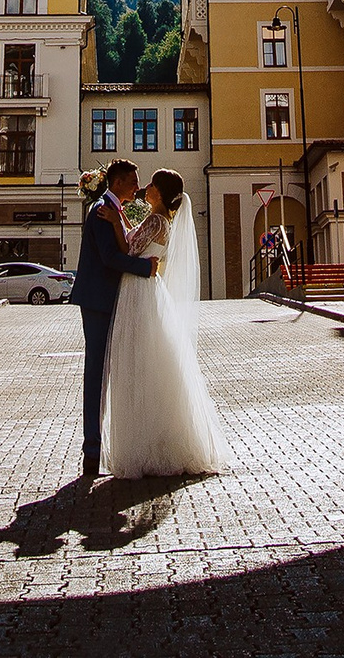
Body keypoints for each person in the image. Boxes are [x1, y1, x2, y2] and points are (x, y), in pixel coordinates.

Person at [101, 167, 229, 478]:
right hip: (144, 287)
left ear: (160, 191)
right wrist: (123, 222)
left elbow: (130, 249)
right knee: (147, 361)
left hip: (139, 290)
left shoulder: (157, 220)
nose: (146, 187)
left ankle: (148, 445)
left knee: (139, 361)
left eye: (152, 184)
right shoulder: (158, 219)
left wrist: (116, 223)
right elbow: (139, 241)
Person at [71, 159, 154, 480]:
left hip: (106, 300)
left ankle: (98, 448)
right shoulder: (102, 209)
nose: (137, 186)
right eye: (133, 181)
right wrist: (145, 268)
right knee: (95, 374)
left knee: (105, 372)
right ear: (117, 182)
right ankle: (91, 449)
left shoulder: (112, 209)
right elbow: (108, 257)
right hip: (97, 300)